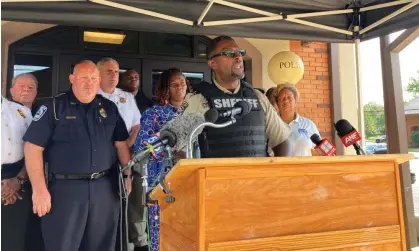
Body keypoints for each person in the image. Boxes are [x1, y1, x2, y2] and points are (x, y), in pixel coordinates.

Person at [23, 60, 132, 251]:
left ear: (98, 80)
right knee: (62, 245)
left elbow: (121, 145)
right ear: (72, 79)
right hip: (65, 192)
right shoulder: (54, 107)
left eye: (92, 78)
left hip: (104, 190)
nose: (88, 83)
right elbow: (33, 148)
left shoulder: (109, 108)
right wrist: (39, 190)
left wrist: (127, 175)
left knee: (102, 245)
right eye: (83, 78)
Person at [182, 35, 291, 157]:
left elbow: (281, 141)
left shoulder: (257, 97)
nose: (238, 57)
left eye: (240, 52)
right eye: (229, 53)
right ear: (213, 63)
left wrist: (276, 174)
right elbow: (179, 148)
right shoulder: (198, 100)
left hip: (256, 175)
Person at [131, 68, 189, 251]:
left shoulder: (193, 112)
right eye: (175, 84)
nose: (180, 87)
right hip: (162, 180)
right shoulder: (154, 113)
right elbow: (142, 147)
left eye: (183, 83)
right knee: (161, 232)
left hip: (191, 179)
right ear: (165, 88)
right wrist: (172, 151)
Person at [1, 95, 33, 251]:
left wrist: (18, 180)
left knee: (14, 240)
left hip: (17, 179)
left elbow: (34, 152)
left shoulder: (22, 112)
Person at [97, 58, 142, 147]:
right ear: (98, 74)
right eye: (109, 71)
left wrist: (127, 145)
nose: (113, 75)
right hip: (99, 151)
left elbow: (137, 125)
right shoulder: (90, 96)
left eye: (116, 72)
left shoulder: (128, 97)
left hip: (126, 149)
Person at [275, 84, 320, 156]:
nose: (286, 101)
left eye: (289, 98)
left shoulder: (308, 124)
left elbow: (318, 151)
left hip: (305, 166)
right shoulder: (271, 123)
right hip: (278, 166)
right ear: (277, 103)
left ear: (295, 101)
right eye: (282, 98)